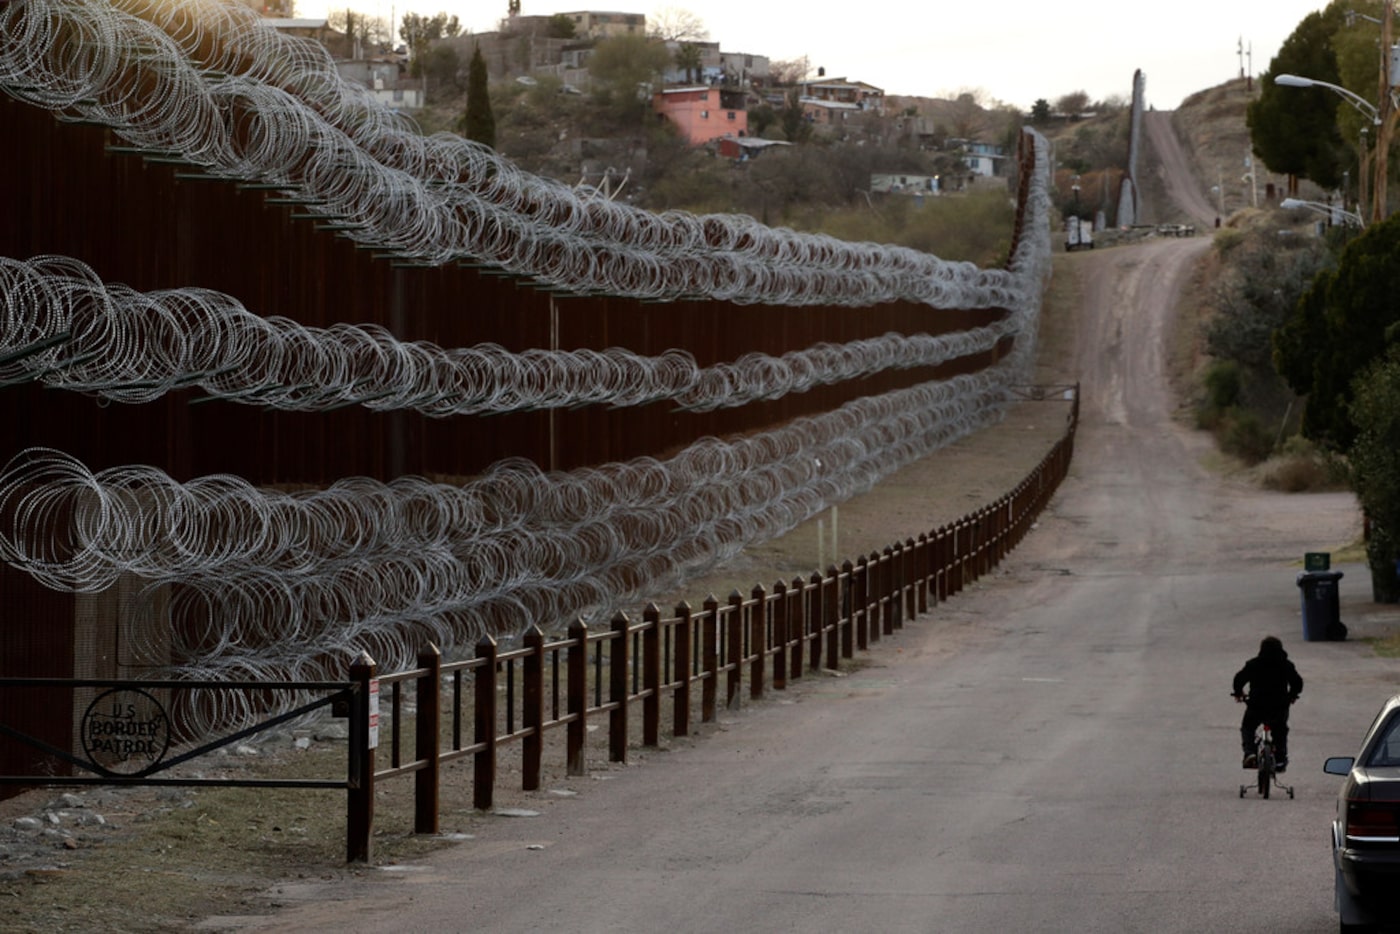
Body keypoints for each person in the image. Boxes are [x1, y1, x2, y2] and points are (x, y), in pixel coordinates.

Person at [1232, 635, 1303, 772]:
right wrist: (1293, 695)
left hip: (1256, 705)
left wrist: (1238, 693)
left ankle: (1250, 752)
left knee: (1248, 727)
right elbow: (1297, 682)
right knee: (1280, 730)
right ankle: (1280, 759)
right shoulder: (1286, 665)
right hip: (1279, 705)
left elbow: (1239, 679)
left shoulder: (1253, 664)